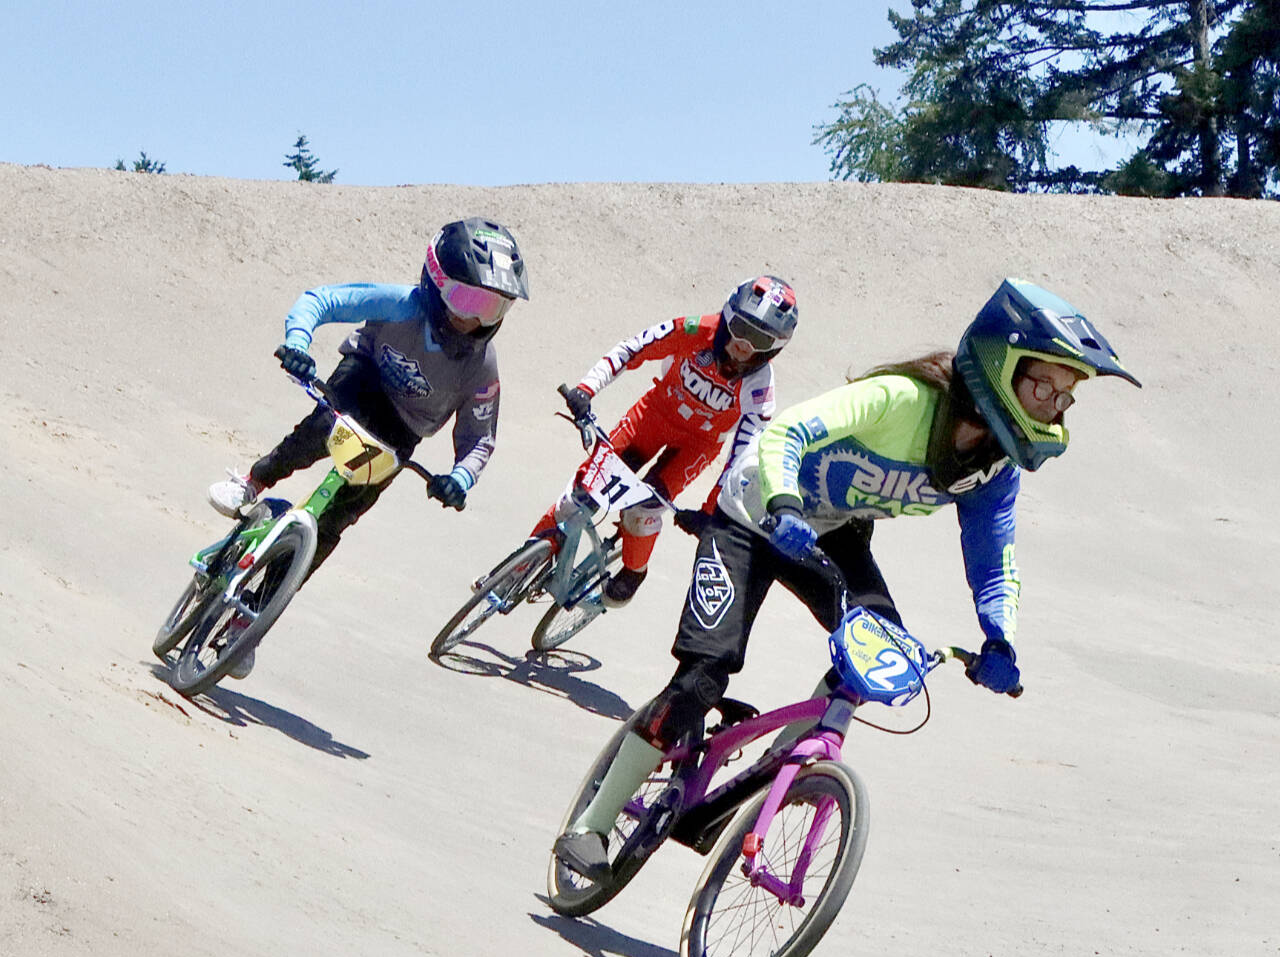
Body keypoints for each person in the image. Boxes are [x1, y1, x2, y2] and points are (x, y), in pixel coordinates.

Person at [553, 277, 1141, 880]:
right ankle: (590, 825)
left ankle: (778, 769)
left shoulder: (995, 465)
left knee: (884, 655)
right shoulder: (904, 399)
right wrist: (782, 502)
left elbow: (994, 559)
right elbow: (788, 433)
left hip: (831, 535)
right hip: (754, 515)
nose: (1054, 404)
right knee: (703, 677)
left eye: (1066, 396)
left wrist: (1001, 639)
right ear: (1000, 363)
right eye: (1044, 384)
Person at [205, 217, 528, 677]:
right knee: (321, 429)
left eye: (494, 308)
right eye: (469, 299)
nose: (477, 320)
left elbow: (480, 438)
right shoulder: (402, 305)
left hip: (402, 433)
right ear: (435, 283)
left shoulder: (481, 366)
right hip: (363, 380)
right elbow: (322, 300)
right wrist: (298, 341)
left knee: (333, 523)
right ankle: (254, 480)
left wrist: (460, 477)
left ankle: (247, 621)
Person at [528, 276, 799, 606]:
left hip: (695, 447)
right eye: (742, 328)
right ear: (727, 315)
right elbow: (633, 348)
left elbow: (742, 453)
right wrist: (587, 389)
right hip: (652, 418)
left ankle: (634, 571)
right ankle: (525, 557)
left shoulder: (760, 387)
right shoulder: (695, 330)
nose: (745, 344)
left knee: (644, 510)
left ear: (775, 347)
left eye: (759, 338)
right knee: (582, 491)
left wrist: (711, 510)